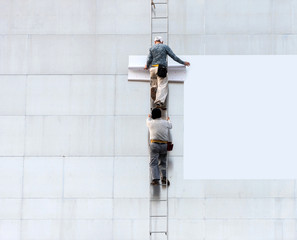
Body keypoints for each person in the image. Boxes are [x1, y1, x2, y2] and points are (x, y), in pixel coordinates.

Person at [144, 36, 190, 109]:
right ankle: (158, 102)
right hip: (161, 69)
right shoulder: (165, 47)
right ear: (162, 41)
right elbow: (174, 56)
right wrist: (183, 63)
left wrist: (146, 66)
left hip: (152, 69)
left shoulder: (152, 48)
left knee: (154, 84)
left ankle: (154, 90)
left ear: (155, 42)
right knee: (162, 85)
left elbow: (149, 58)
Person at [146, 108, 172, 186]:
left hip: (154, 144)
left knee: (153, 163)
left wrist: (149, 116)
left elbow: (147, 119)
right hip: (164, 145)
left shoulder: (150, 123)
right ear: (160, 114)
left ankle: (156, 180)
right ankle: (164, 177)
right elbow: (170, 125)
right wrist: (168, 120)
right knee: (163, 162)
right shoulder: (165, 123)